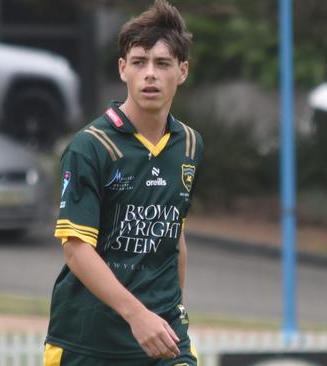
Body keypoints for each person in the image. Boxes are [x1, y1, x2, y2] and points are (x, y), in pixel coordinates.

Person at [44, 1, 202, 365]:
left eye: (162, 64)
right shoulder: (90, 146)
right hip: (89, 342)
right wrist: (137, 316)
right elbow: (76, 250)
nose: (150, 74)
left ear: (182, 71)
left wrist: (170, 311)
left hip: (164, 336)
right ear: (122, 69)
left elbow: (175, 235)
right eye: (139, 62)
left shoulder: (191, 144)